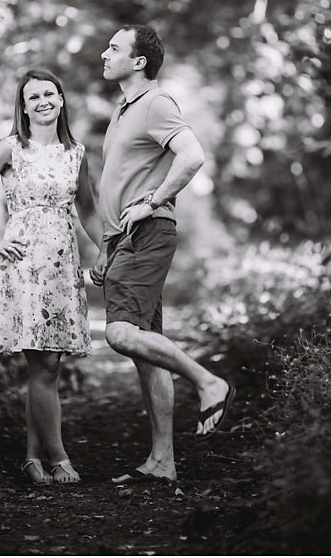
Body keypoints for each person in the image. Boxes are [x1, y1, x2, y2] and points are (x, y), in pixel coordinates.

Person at [89, 25, 235, 485]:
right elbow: (119, 182)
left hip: (149, 232)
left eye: (114, 48)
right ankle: (162, 461)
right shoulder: (123, 110)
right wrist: (106, 245)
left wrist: (153, 202)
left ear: (138, 62)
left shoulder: (156, 103)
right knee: (146, 353)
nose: (103, 53)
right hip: (124, 240)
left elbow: (191, 157)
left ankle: (209, 382)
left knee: (119, 333)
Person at [0, 69, 102, 485]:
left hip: (60, 264)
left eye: (49, 94)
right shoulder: (10, 148)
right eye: (32, 96)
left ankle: (33, 458)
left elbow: (87, 210)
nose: (42, 102)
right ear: (23, 105)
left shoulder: (76, 152)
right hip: (23, 264)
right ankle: (59, 457)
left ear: (61, 99)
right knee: (45, 362)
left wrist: (106, 250)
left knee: (45, 365)